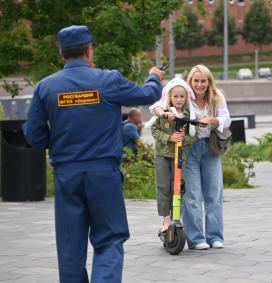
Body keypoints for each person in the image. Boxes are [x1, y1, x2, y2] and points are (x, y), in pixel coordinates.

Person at [23, 25, 164, 283]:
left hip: (67, 175)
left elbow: (34, 136)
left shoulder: (46, 87)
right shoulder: (107, 80)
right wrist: (154, 75)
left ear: (62, 53)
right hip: (103, 175)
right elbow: (149, 94)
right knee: (109, 237)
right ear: (89, 50)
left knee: (70, 244)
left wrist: (56, 143)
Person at [151, 65, 231, 250]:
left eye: (203, 81)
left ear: (209, 81)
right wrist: (163, 113)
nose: (200, 85)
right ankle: (196, 239)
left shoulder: (217, 97)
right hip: (189, 148)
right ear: (190, 82)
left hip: (210, 147)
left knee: (214, 194)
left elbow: (226, 118)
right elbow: (157, 104)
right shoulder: (184, 95)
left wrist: (213, 120)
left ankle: (215, 236)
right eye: (196, 81)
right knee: (192, 195)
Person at [150, 78, 197, 232]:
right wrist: (169, 138)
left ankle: (176, 216)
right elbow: (154, 130)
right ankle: (166, 219)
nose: (178, 99)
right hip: (162, 155)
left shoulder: (189, 114)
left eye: (182, 96)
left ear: (186, 97)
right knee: (163, 186)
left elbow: (194, 136)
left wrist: (185, 138)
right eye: (175, 96)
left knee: (176, 187)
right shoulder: (164, 112)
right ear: (169, 96)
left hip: (180, 156)